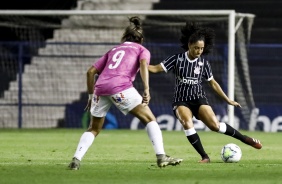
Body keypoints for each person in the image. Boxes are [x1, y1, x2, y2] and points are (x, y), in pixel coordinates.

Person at [68, 16, 182, 170]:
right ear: (140, 39)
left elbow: (90, 72)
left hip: (100, 89)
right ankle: (161, 156)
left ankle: (76, 160)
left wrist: (90, 97)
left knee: (93, 128)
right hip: (121, 87)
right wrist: (146, 89)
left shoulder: (113, 50)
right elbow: (143, 64)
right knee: (150, 119)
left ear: (124, 38)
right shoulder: (142, 50)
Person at [148, 22, 262, 163]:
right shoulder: (177, 59)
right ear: (189, 45)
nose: (199, 51)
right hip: (181, 100)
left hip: (199, 98)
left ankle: (246, 139)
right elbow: (154, 69)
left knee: (215, 125)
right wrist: (137, 63)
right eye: (196, 48)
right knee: (186, 122)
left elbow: (213, 83)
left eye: (201, 48)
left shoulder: (203, 64)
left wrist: (228, 100)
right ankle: (205, 156)